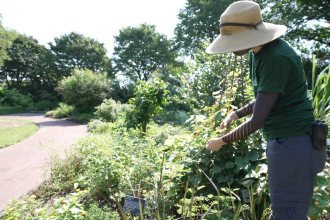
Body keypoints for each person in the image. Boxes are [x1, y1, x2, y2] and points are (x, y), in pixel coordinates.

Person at [204, 1, 327, 220]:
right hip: (284, 141)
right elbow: (266, 98)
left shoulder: (276, 57)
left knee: (288, 213)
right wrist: (237, 113)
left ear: (250, 36)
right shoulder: (258, 53)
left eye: (233, 41)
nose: (230, 47)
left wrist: (222, 141)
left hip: (295, 142)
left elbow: (258, 119)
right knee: (287, 209)